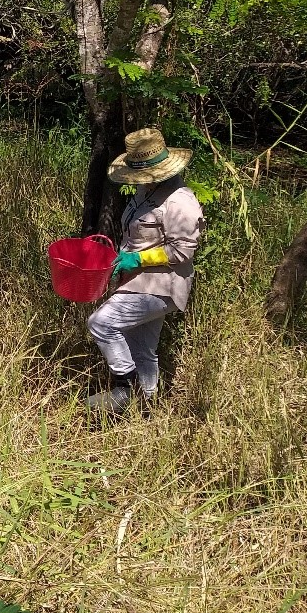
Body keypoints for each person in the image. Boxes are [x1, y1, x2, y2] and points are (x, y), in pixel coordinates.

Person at [87, 127, 205, 415]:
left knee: (101, 323)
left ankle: (123, 387)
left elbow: (181, 252)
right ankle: (148, 408)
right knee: (142, 347)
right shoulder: (145, 190)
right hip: (137, 281)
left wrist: (137, 260)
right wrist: (122, 258)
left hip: (161, 286)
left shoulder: (180, 202)